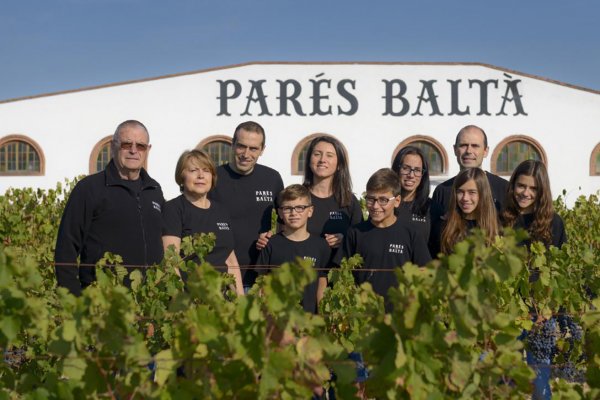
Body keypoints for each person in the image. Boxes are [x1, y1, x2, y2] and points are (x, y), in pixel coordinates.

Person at [55, 120, 164, 296]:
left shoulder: (154, 190)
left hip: (149, 298)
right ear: (113, 147)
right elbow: (66, 247)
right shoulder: (89, 189)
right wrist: (73, 299)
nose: (134, 150)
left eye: (140, 146)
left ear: (148, 150)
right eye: (126, 144)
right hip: (102, 300)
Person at [208, 121, 284, 291]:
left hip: (260, 278)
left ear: (262, 150)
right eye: (241, 146)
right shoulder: (213, 178)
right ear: (233, 144)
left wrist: (274, 238)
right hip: (220, 277)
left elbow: (286, 222)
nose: (246, 154)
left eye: (253, 148)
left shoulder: (272, 178)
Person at [343, 168, 431, 311]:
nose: (375, 206)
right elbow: (343, 274)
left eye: (383, 200)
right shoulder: (355, 233)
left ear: (397, 201)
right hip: (364, 314)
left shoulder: (411, 233)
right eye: (370, 199)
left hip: (401, 314)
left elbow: (424, 272)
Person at [161, 149, 243, 295]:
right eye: (193, 170)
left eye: (206, 170)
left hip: (222, 299)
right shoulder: (173, 209)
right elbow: (171, 261)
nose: (201, 175)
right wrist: (180, 301)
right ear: (181, 176)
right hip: (191, 298)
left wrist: (241, 300)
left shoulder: (221, 211)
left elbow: (230, 262)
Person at [256, 184, 331, 313]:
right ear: (280, 213)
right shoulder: (270, 244)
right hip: (278, 319)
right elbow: (262, 285)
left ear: (310, 211)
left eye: (300, 208)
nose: (293, 213)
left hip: (309, 318)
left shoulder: (321, 246)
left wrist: (323, 316)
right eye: (287, 208)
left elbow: (322, 284)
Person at [430, 125, 508, 226]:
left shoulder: (504, 188)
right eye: (463, 145)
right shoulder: (442, 191)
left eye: (475, 146)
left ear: (485, 151)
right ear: (455, 149)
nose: (469, 151)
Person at [430, 167, 499, 256]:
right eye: (460, 192)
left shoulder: (496, 228)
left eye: (472, 192)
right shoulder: (444, 227)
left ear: (483, 194)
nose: (465, 198)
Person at [501, 159, 566, 249]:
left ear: (542, 191)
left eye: (533, 188)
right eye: (521, 186)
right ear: (513, 185)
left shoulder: (554, 223)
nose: (525, 193)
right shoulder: (500, 219)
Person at [391, 145, 431, 242]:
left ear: (423, 174)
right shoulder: (385, 204)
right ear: (397, 170)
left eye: (417, 170)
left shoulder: (432, 208)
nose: (411, 175)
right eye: (406, 168)